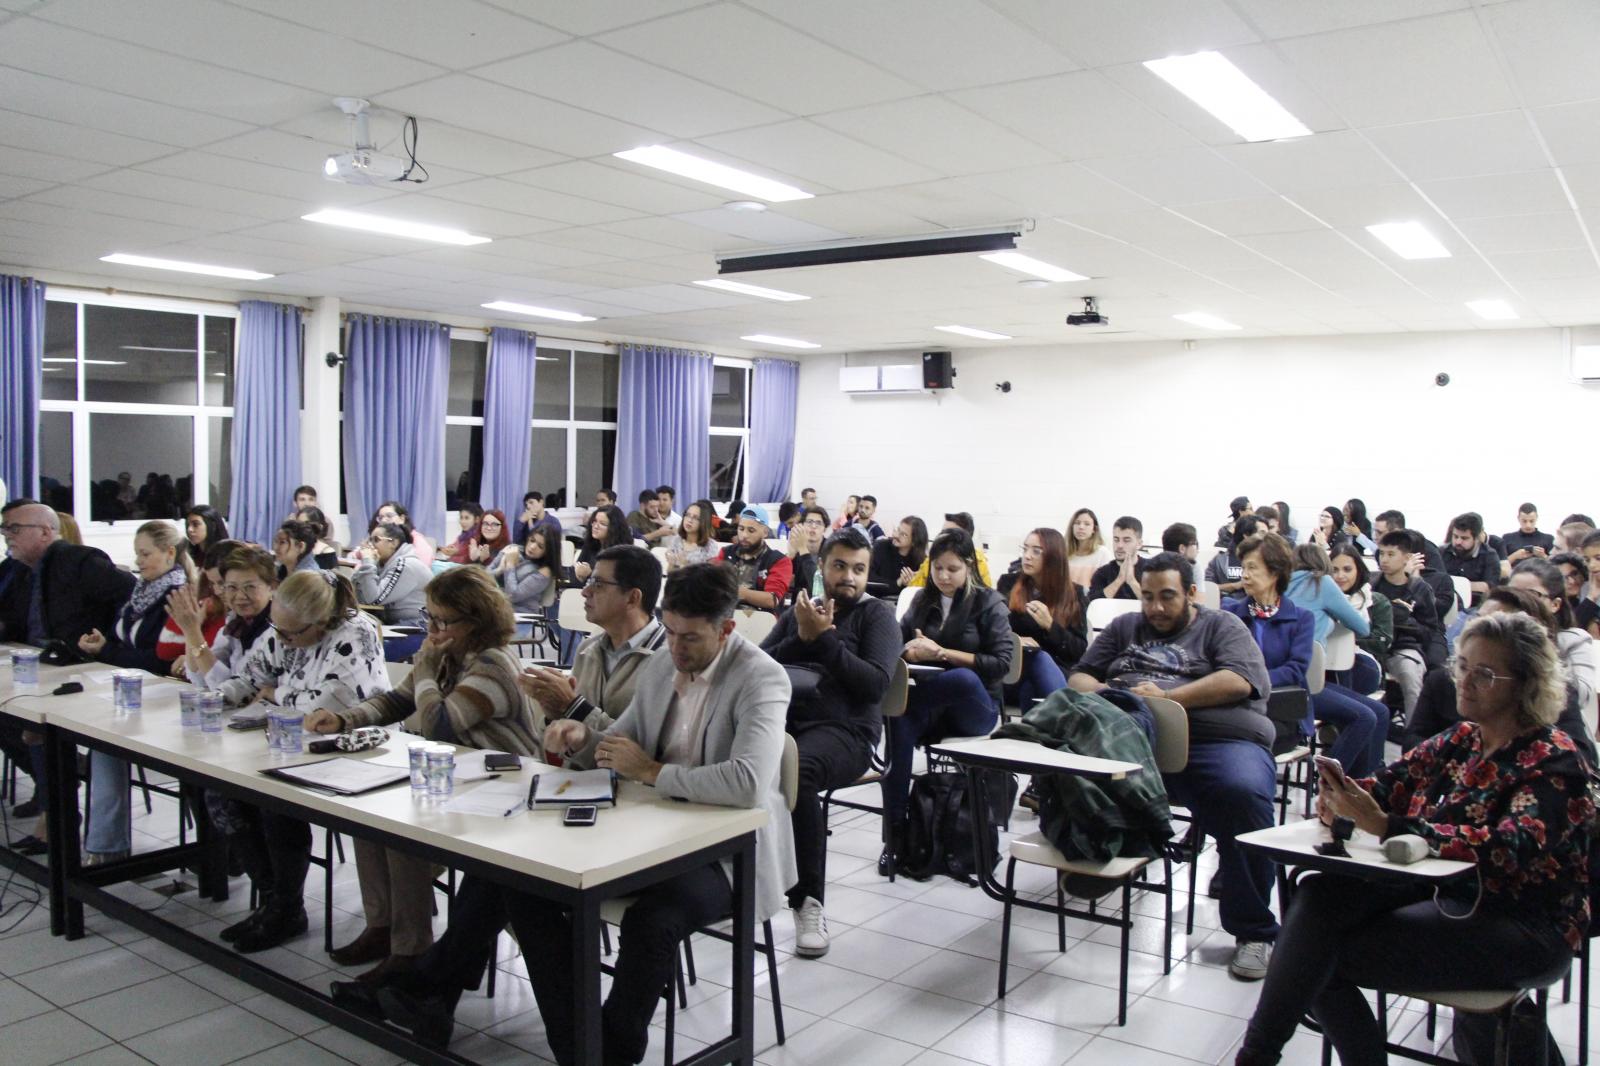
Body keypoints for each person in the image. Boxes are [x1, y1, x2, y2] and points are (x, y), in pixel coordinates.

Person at [373, 564, 792, 1061]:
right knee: (518, 878)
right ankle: (581, 1043)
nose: (676, 649)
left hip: (726, 852)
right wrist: (583, 738)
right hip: (649, 829)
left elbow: (746, 783)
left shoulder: (762, 678)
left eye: (692, 639)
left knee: (652, 922)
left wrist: (652, 772)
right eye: (671, 632)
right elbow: (624, 742)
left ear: (727, 630)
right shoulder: (665, 664)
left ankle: (598, 1043)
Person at [1235, 611, 1593, 1066]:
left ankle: (1267, 1057)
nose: (1463, 681)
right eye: (1461, 666)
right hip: (1448, 895)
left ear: (1525, 684)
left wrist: (1388, 826)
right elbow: (1388, 784)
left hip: (1526, 925)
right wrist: (1345, 797)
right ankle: (1259, 1056)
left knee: (1312, 953)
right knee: (1317, 898)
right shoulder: (1464, 739)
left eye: (1482, 674)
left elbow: (1505, 847)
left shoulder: (1554, 758)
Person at [310, 567, 541, 981]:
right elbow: (396, 702)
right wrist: (343, 720)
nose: (432, 628)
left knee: (405, 838)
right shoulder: (446, 657)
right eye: (428, 617)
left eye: (442, 620)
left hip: (506, 791)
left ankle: (410, 950)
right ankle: (382, 928)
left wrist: (428, 672)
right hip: (458, 782)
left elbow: (440, 725)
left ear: (476, 621)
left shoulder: (493, 665)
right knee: (367, 818)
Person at [1070, 552, 1278, 981]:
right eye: (1147, 597)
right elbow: (1080, 677)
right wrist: (1117, 694)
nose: (1156, 608)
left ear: (1191, 594)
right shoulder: (1125, 627)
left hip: (1214, 742)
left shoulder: (1222, 627)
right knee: (1077, 769)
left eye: (1167, 597)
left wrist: (1167, 700)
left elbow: (1239, 681)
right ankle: (1112, 852)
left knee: (1244, 796)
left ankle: (1254, 931)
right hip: (1134, 740)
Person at [217, 570, 389, 952]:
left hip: (356, 749)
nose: (282, 639)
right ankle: (276, 901)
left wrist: (276, 692)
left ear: (321, 621)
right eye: (277, 629)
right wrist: (220, 697)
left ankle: (285, 909)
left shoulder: (354, 634)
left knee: (275, 802)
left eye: (291, 634)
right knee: (226, 793)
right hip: (293, 742)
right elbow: (251, 676)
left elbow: (328, 705)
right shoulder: (286, 626)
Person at [760, 528, 900, 957]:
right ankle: (738, 883)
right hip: (788, 722)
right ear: (822, 567)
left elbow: (874, 684)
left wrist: (822, 640)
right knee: (732, 759)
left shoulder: (876, 617)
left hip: (847, 731)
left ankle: (808, 902)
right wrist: (800, 636)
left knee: (795, 773)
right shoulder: (803, 610)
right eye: (840, 566)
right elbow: (758, 664)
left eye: (859, 569)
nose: (849, 577)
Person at [885, 529, 1013, 869]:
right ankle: (895, 836)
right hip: (930, 702)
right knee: (898, 721)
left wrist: (941, 652)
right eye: (937, 567)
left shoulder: (989, 602)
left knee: (961, 678)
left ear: (969, 566)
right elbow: (897, 648)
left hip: (976, 705)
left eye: (952, 569)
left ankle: (895, 710)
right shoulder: (920, 601)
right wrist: (908, 652)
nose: (943, 576)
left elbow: (1000, 664)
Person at [78, 521, 193, 863]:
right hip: (125, 690)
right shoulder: (139, 592)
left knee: (106, 746)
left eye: (146, 554)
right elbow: (121, 641)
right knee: (100, 741)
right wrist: (103, 644)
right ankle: (105, 846)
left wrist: (108, 653)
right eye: (137, 554)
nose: (139, 561)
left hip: (165, 700)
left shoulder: (178, 597)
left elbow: (158, 661)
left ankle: (106, 848)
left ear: (169, 553)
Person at [519, 545, 666, 736]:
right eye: (588, 581)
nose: (585, 591)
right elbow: (560, 752)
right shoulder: (588, 648)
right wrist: (554, 716)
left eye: (598, 584)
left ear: (632, 598)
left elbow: (642, 747)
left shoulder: (667, 661)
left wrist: (572, 706)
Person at [996, 527, 1085, 710]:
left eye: (1036, 551)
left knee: (1035, 677)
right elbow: (995, 630)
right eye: (1025, 549)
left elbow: (1078, 650)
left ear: (1053, 556)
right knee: (1035, 663)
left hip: (1054, 670)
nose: (1027, 556)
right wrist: (1018, 641)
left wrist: (1050, 626)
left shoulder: (1074, 593)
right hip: (1014, 669)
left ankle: (1032, 735)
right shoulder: (1008, 583)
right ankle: (1070, 720)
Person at [1509, 558, 1598, 714]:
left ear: (1555, 604)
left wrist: (1539, 645)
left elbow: (1581, 696)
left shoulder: (1573, 640)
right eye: (1512, 594)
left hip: (1559, 725)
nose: (1520, 602)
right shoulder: (1494, 637)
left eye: (1532, 594)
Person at [1372, 529, 1445, 718]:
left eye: (1391, 554)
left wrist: (1406, 620)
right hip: (1372, 648)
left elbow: (1430, 630)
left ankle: (1414, 733)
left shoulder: (1420, 589)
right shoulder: (1371, 584)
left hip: (1403, 648)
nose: (1384, 560)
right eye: (1381, 553)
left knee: (1411, 676)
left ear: (1407, 558)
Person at [352, 521, 431, 657]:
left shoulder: (405, 564)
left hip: (418, 627)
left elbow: (374, 599)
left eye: (375, 540)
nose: (370, 546)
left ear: (393, 543)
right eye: (369, 540)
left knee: (369, 652)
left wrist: (368, 562)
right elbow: (360, 597)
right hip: (398, 624)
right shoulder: (385, 564)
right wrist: (369, 565)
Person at [159, 538, 237, 674]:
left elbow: (219, 674)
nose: (217, 591)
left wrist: (193, 632)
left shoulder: (242, 617)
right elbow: (164, 651)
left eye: (222, 583)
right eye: (213, 584)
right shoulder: (207, 606)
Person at [1327, 544, 1391, 699]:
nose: (1340, 576)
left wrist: (1349, 640)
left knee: (1344, 658)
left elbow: (1382, 641)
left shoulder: (1375, 601)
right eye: (1334, 570)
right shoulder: (1321, 600)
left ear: (1358, 570)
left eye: (1347, 569)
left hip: (1361, 663)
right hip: (1325, 662)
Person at [715, 504, 792, 612]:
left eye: (751, 530)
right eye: (741, 529)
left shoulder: (778, 561)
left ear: (765, 532)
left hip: (762, 620)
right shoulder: (725, 553)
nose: (744, 535)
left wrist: (741, 593)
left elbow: (772, 599)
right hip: (724, 616)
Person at [906, 513, 993, 587]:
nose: (943, 536)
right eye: (942, 532)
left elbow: (986, 595)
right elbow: (915, 589)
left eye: (949, 533)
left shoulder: (978, 561)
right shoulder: (933, 557)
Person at [493, 524, 558, 615]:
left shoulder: (544, 571)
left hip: (518, 614)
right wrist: (499, 570)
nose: (532, 547)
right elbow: (484, 577)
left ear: (548, 552)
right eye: (532, 540)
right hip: (494, 607)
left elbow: (513, 595)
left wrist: (510, 565)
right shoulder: (513, 549)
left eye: (540, 546)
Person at [1443, 511, 1501, 606]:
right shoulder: (1443, 552)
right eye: (1455, 536)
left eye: (1464, 538)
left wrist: (1456, 585)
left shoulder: (1489, 555)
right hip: (1447, 603)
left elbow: (1489, 587)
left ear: (1476, 538)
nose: (1458, 542)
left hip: (1475, 605)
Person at [360, 501, 434, 567]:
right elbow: (360, 555)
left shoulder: (416, 539)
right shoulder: (379, 537)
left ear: (402, 519)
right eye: (381, 517)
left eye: (389, 516)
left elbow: (421, 566)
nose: (384, 520)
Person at [1089, 516, 1147, 601]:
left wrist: (1132, 582)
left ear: (1139, 544)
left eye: (1126, 540)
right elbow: (1092, 604)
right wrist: (1119, 580)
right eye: (1116, 540)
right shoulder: (1102, 573)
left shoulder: (1152, 570)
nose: (1120, 545)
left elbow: (1156, 605)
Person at [573, 503, 631, 583]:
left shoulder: (622, 552)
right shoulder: (590, 545)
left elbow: (615, 583)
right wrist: (579, 574)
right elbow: (577, 574)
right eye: (594, 521)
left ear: (614, 528)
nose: (596, 526)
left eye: (602, 524)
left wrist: (590, 574)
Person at [1206, 515, 1261, 598]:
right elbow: (1208, 587)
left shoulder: (1264, 559)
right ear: (1246, 535)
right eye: (1261, 533)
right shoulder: (1220, 560)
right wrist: (1234, 586)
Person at [869, 514, 926, 590]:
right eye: (898, 530)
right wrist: (897, 583)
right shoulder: (881, 546)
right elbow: (868, 577)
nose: (896, 535)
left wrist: (913, 583)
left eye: (904, 535)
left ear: (914, 542)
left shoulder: (921, 561)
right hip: (876, 597)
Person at [786, 506, 829, 601]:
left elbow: (818, 586)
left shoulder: (831, 550)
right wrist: (790, 557)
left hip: (822, 605)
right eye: (809, 522)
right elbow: (783, 582)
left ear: (825, 529)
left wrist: (802, 549)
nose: (813, 526)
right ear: (802, 525)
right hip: (798, 605)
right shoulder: (796, 547)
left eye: (818, 523)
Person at [664, 498, 718, 570]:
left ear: (703, 522)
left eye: (695, 518)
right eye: (687, 515)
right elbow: (670, 574)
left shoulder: (710, 545)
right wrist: (671, 563)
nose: (689, 520)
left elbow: (709, 576)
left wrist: (684, 565)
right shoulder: (676, 540)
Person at [1502, 502, 1554, 573]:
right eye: (1524, 521)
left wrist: (1543, 556)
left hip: (1542, 580)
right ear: (1518, 518)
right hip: (1515, 579)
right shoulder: (1507, 538)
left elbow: (1556, 567)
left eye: (1531, 521)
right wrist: (1515, 555)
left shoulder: (1548, 539)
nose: (1528, 525)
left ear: (1537, 518)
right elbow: (1500, 566)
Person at [1066, 507, 1112, 588]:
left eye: (1087, 524)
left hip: (1093, 599)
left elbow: (1107, 585)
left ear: (1094, 529)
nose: (1081, 527)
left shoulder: (1102, 553)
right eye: (1077, 523)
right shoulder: (1064, 552)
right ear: (1072, 527)